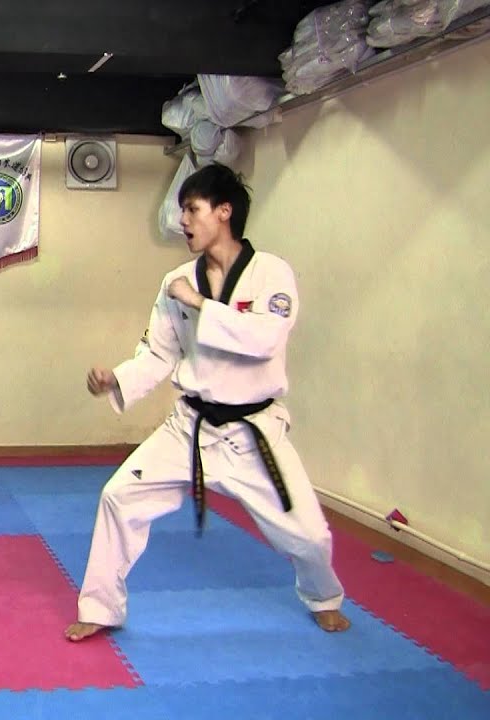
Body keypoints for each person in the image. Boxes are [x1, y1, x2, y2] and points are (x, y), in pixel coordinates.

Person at [65, 163, 350, 642]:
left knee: (310, 535)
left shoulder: (271, 273)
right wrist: (115, 379)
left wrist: (200, 303)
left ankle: (323, 597)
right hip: (191, 428)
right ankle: (100, 607)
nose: (183, 220)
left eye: (192, 209)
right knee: (118, 496)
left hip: (254, 434)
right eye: (182, 211)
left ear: (224, 212)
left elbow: (264, 339)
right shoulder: (177, 280)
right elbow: (159, 353)